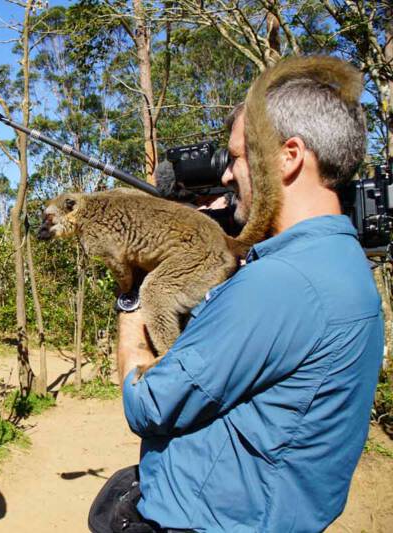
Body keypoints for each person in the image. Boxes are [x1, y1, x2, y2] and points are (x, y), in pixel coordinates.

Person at [90, 56, 384, 532]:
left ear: (288, 157)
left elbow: (149, 405)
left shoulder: (282, 284)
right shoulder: (335, 262)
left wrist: (132, 295)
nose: (227, 176)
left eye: (239, 157)